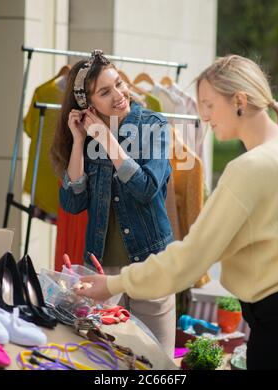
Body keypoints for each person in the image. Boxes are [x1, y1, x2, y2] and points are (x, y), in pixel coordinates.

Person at [75, 54, 278, 370]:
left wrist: (111, 285)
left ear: (239, 101)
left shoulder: (248, 169)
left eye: (208, 104)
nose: (203, 116)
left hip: (277, 328)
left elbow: (190, 259)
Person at [51, 50, 176, 357]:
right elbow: (72, 202)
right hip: (101, 272)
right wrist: (80, 142)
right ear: (88, 104)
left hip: (151, 265)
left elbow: (146, 188)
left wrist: (108, 140)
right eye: (106, 92)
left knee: (155, 361)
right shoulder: (88, 139)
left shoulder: (154, 126)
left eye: (119, 84)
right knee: (104, 359)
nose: (120, 95)